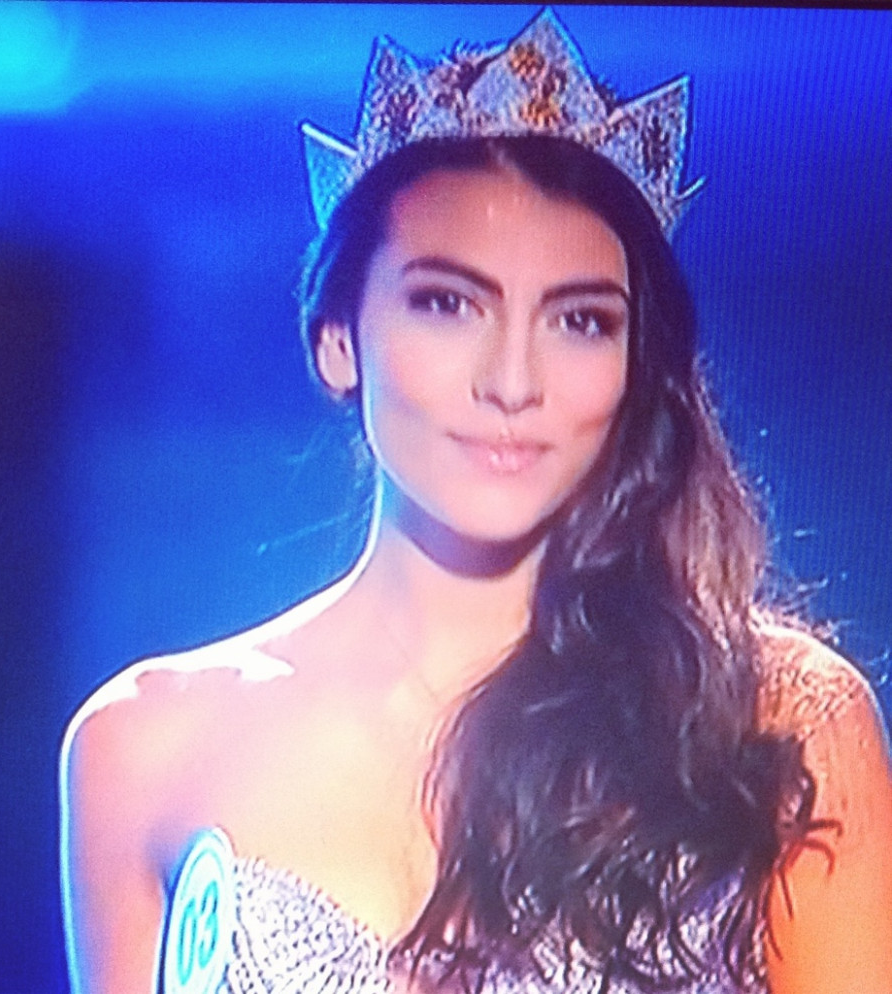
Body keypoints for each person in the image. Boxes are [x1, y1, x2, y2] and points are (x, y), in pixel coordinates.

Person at [59, 11, 892, 994]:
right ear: (337, 339)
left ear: (635, 363)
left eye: (580, 321)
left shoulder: (775, 719)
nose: (512, 381)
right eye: (448, 304)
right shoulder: (143, 746)